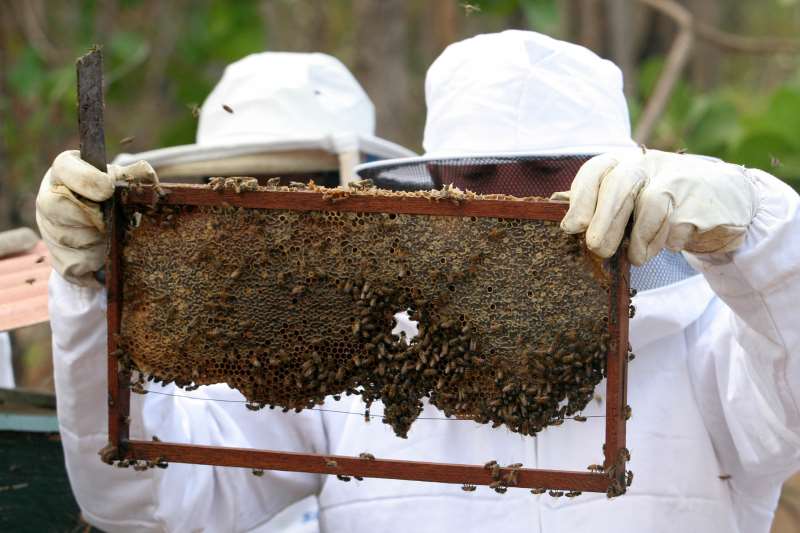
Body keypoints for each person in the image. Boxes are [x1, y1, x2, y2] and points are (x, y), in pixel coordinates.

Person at [37, 31, 799, 533]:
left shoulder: (710, 345)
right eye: (476, 175)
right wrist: (95, 295)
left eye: (547, 169)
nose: (512, 204)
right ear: (432, 180)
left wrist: (755, 221)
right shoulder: (359, 365)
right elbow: (147, 501)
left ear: (619, 173)